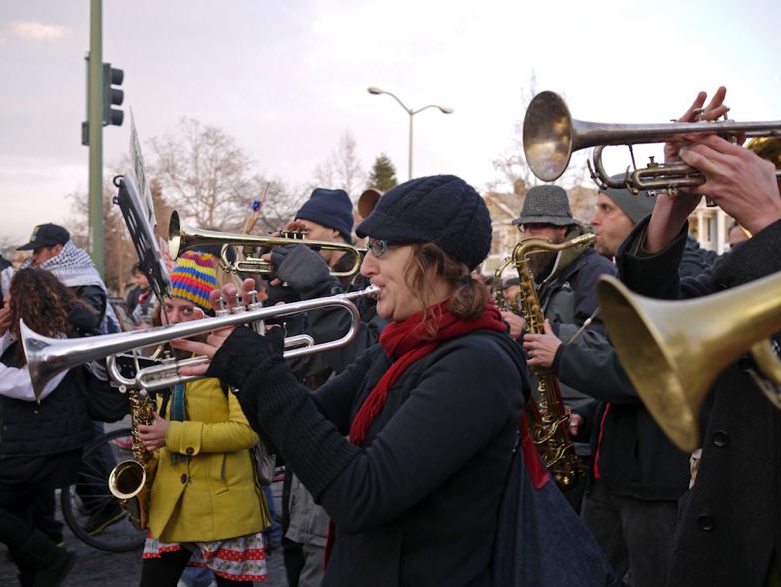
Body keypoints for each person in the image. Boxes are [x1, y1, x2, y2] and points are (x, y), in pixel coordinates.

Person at [173, 175, 531, 586]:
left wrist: (261, 373)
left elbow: (362, 495)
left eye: (382, 247)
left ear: (435, 259)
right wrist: (249, 366)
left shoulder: (476, 364)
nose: (367, 266)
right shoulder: (399, 347)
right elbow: (295, 432)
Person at [612, 86, 781, 585]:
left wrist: (770, 225)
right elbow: (659, 321)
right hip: (727, 529)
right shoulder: (746, 266)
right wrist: (672, 205)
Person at [523, 182, 698, 587]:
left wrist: (562, 356)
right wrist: (584, 415)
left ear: (639, 222)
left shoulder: (674, 281)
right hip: (610, 469)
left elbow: (646, 374)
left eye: (607, 208)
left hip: (652, 481)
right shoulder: (622, 278)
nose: (594, 219)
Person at [265, 186, 385, 587]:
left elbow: (354, 360)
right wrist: (281, 296)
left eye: (307, 231)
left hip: (341, 443)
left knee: (319, 562)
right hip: (305, 440)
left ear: (335, 233)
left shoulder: (364, 284)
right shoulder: (312, 283)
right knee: (295, 552)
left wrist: (317, 292)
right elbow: (297, 358)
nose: (299, 242)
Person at [135, 250, 271, 587]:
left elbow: (245, 433)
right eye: (169, 308)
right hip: (171, 501)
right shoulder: (162, 355)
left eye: (187, 310)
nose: (175, 319)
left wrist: (171, 434)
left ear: (210, 314)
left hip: (224, 503)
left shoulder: (231, 357)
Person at [0, 268, 111, 587]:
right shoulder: (29, 329)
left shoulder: (58, 336)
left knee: (16, 518)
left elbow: (29, 387)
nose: (4, 302)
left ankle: (50, 559)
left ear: (25, 300)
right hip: (32, 444)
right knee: (20, 520)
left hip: (47, 448)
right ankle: (37, 572)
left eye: (10, 297)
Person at [507, 184, 616, 509]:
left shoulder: (595, 270)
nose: (527, 235)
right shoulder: (543, 273)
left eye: (537, 226)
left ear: (563, 230)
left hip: (577, 429)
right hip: (544, 422)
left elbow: (604, 341)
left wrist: (528, 329)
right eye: (525, 227)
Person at [17, 223, 120, 334]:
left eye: (37, 251)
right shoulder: (33, 272)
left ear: (57, 249)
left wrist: (48, 299)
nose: (33, 256)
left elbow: (90, 320)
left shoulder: (86, 280)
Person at [126, 263, 156, 328]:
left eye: (138, 277)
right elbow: (129, 314)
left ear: (147, 275)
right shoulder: (133, 293)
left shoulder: (157, 292)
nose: (137, 281)